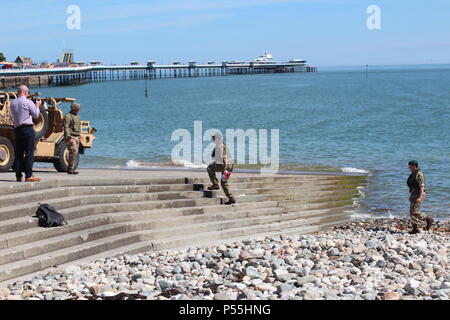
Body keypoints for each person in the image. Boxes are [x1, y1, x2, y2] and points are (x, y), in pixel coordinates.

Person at [10, 85, 41, 182]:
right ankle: (28, 175)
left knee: (19, 153)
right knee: (29, 152)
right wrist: (37, 105)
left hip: (17, 129)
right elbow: (36, 115)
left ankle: (18, 175)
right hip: (27, 128)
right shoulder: (28, 102)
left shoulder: (12, 103)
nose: (28, 94)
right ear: (25, 92)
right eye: (28, 92)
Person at [207, 133, 236, 205]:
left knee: (210, 168)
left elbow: (224, 157)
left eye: (214, 138)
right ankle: (231, 198)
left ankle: (215, 184)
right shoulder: (220, 145)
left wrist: (225, 168)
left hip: (224, 165)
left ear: (218, 139)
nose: (213, 140)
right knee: (224, 182)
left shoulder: (220, 146)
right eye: (213, 138)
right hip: (229, 166)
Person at [407, 160, 433, 234]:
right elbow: (413, 186)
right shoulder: (413, 173)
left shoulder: (419, 174)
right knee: (411, 212)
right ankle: (415, 229)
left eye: (410, 166)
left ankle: (428, 219)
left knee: (414, 211)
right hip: (414, 194)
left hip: (419, 194)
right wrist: (411, 195)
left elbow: (421, 186)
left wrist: (420, 197)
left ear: (414, 166)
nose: (409, 167)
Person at [63, 103, 81, 174]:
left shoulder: (77, 116)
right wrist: (68, 136)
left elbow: (78, 127)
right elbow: (66, 126)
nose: (78, 110)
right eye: (77, 109)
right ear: (73, 109)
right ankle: (70, 169)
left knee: (75, 153)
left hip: (76, 136)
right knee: (74, 151)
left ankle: (71, 168)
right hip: (71, 136)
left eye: (78, 109)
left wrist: (79, 135)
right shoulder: (68, 116)